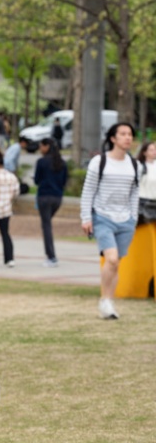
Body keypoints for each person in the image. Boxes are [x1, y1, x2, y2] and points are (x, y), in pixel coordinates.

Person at [80, 122, 140, 320]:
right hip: (102, 217)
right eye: (123, 134)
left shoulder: (134, 165)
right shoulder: (99, 162)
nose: (127, 137)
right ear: (113, 138)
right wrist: (86, 217)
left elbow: (134, 193)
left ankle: (109, 302)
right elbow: (88, 190)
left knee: (116, 264)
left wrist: (133, 217)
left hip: (126, 220)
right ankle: (104, 300)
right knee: (111, 259)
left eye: (130, 134)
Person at [33, 138, 69, 267]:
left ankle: (51, 256)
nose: (40, 149)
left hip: (44, 197)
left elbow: (36, 180)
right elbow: (65, 182)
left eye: (41, 146)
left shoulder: (41, 162)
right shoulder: (62, 163)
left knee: (46, 226)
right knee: (47, 224)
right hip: (57, 198)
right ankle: (50, 255)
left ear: (47, 146)